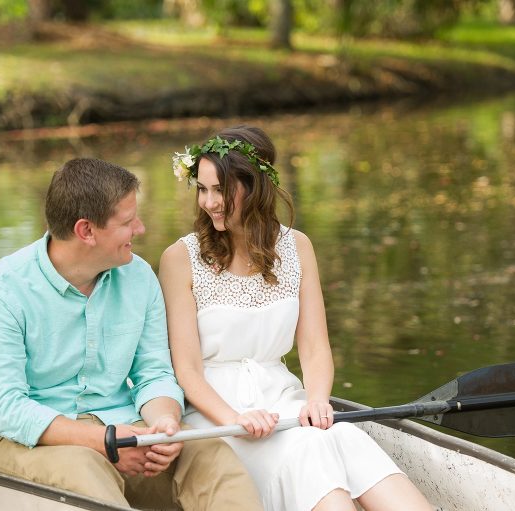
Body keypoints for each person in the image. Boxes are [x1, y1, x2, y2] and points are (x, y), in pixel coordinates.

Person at [0, 158, 263, 510]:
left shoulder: (139, 278)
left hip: (123, 430)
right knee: (83, 467)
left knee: (208, 455)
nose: (140, 228)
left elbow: (153, 373)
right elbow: (5, 407)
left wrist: (164, 425)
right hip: (18, 440)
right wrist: (102, 441)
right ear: (86, 231)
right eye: (127, 221)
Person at [160, 126, 433, 511]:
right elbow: (186, 371)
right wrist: (237, 417)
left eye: (220, 190)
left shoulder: (297, 246)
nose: (209, 202)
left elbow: (315, 347)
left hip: (283, 399)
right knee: (307, 452)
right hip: (217, 416)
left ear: (255, 187)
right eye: (202, 189)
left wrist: (317, 400)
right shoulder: (180, 258)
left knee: (343, 437)